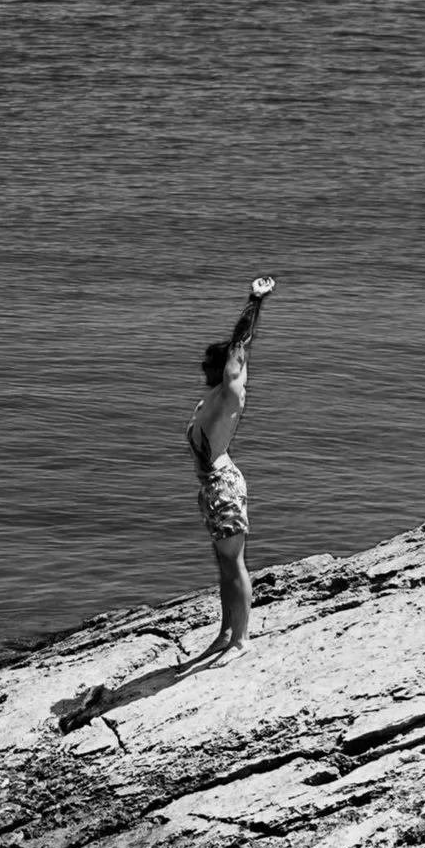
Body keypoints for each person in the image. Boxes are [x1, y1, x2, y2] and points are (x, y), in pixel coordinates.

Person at [185, 274, 276, 663]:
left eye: (211, 361)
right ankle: (225, 633)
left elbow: (240, 344)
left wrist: (253, 301)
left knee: (235, 564)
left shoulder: (230, 392)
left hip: (223, 487)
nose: (203, 364)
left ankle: (242, 640)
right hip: (212, 489)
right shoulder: (212, 398)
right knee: (223, 566)